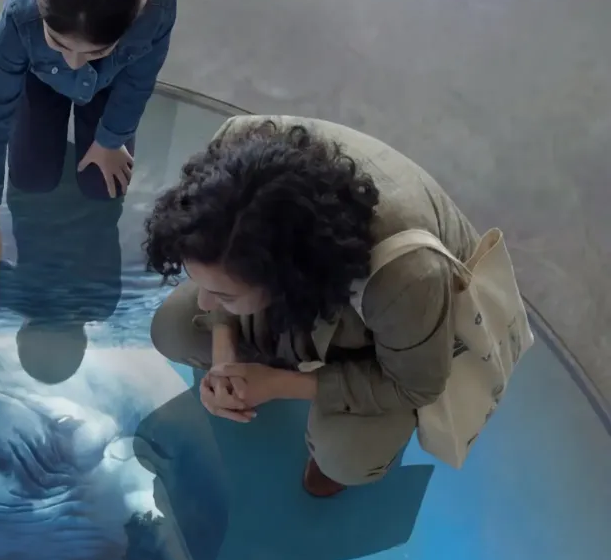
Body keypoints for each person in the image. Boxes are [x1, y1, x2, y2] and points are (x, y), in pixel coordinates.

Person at [145, 116, 481, 497]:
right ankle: (263, 348)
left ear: (286, 281)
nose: (204, 302)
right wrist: (226, 356)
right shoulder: (225, 163)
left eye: (223, 295)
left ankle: (342, 451)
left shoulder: (408, 277)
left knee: (346, 455)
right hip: (311, 273)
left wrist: (280, 384)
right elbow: (221, 271)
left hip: (399, 315)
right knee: (174, 327)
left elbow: (416, 385)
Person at [0, 0, 176, 293]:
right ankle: (55, 144)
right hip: (39, 79)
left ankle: (82, 136)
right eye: (58, 42)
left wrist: (111, 139)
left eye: (95, 50)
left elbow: (138, 82)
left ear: (140, 9)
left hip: (109, 83)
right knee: (31, 180)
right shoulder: (20, 12)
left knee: (104, 188)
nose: (74, 63)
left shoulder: (158, 6)